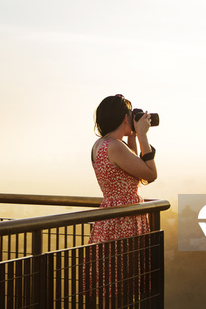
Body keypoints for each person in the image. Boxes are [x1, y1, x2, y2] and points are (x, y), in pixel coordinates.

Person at [84, 94, 157, 304]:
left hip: (110, 219)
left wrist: (132, 137)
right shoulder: (115, 146)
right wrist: (143, 137)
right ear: (125, 118)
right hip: (124, 220)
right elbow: (149, 175)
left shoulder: (101, 144)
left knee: (115, 287)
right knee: (123, 286)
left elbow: (130, 172)